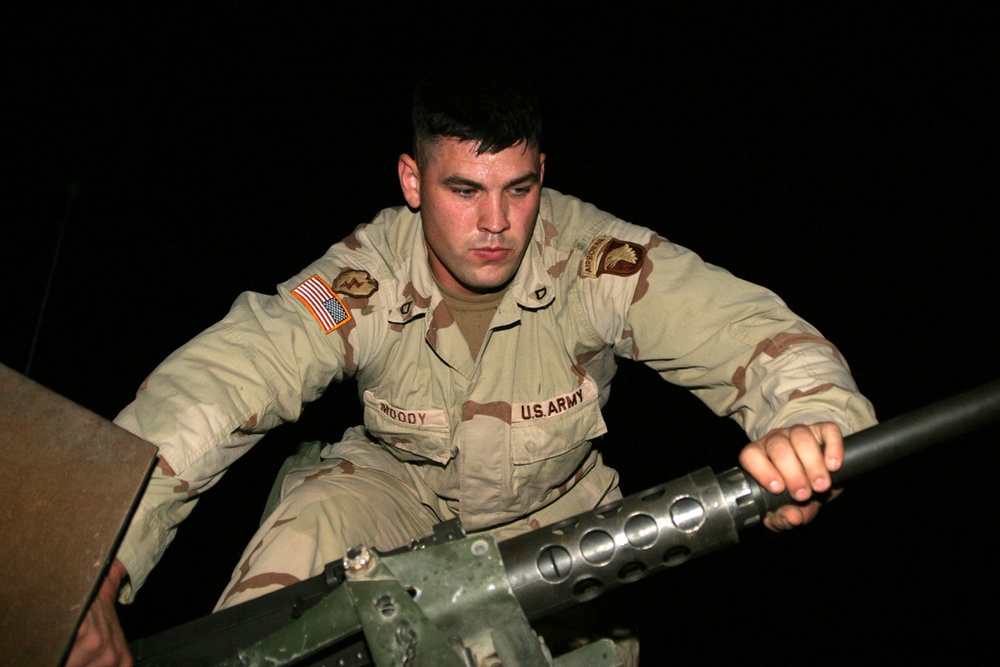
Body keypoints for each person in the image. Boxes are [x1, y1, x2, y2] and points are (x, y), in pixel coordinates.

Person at [66, 73, 877, 666]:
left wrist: (811, 427)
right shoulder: (364, 276)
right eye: (465, 189)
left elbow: (749, 333)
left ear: (542, 177)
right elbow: (224, 380)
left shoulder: (595, 258)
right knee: (296, 550)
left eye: (518, 190)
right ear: (412, 180)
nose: (497, 224)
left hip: (553, 519)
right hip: (392, 489)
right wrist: (90, 565)